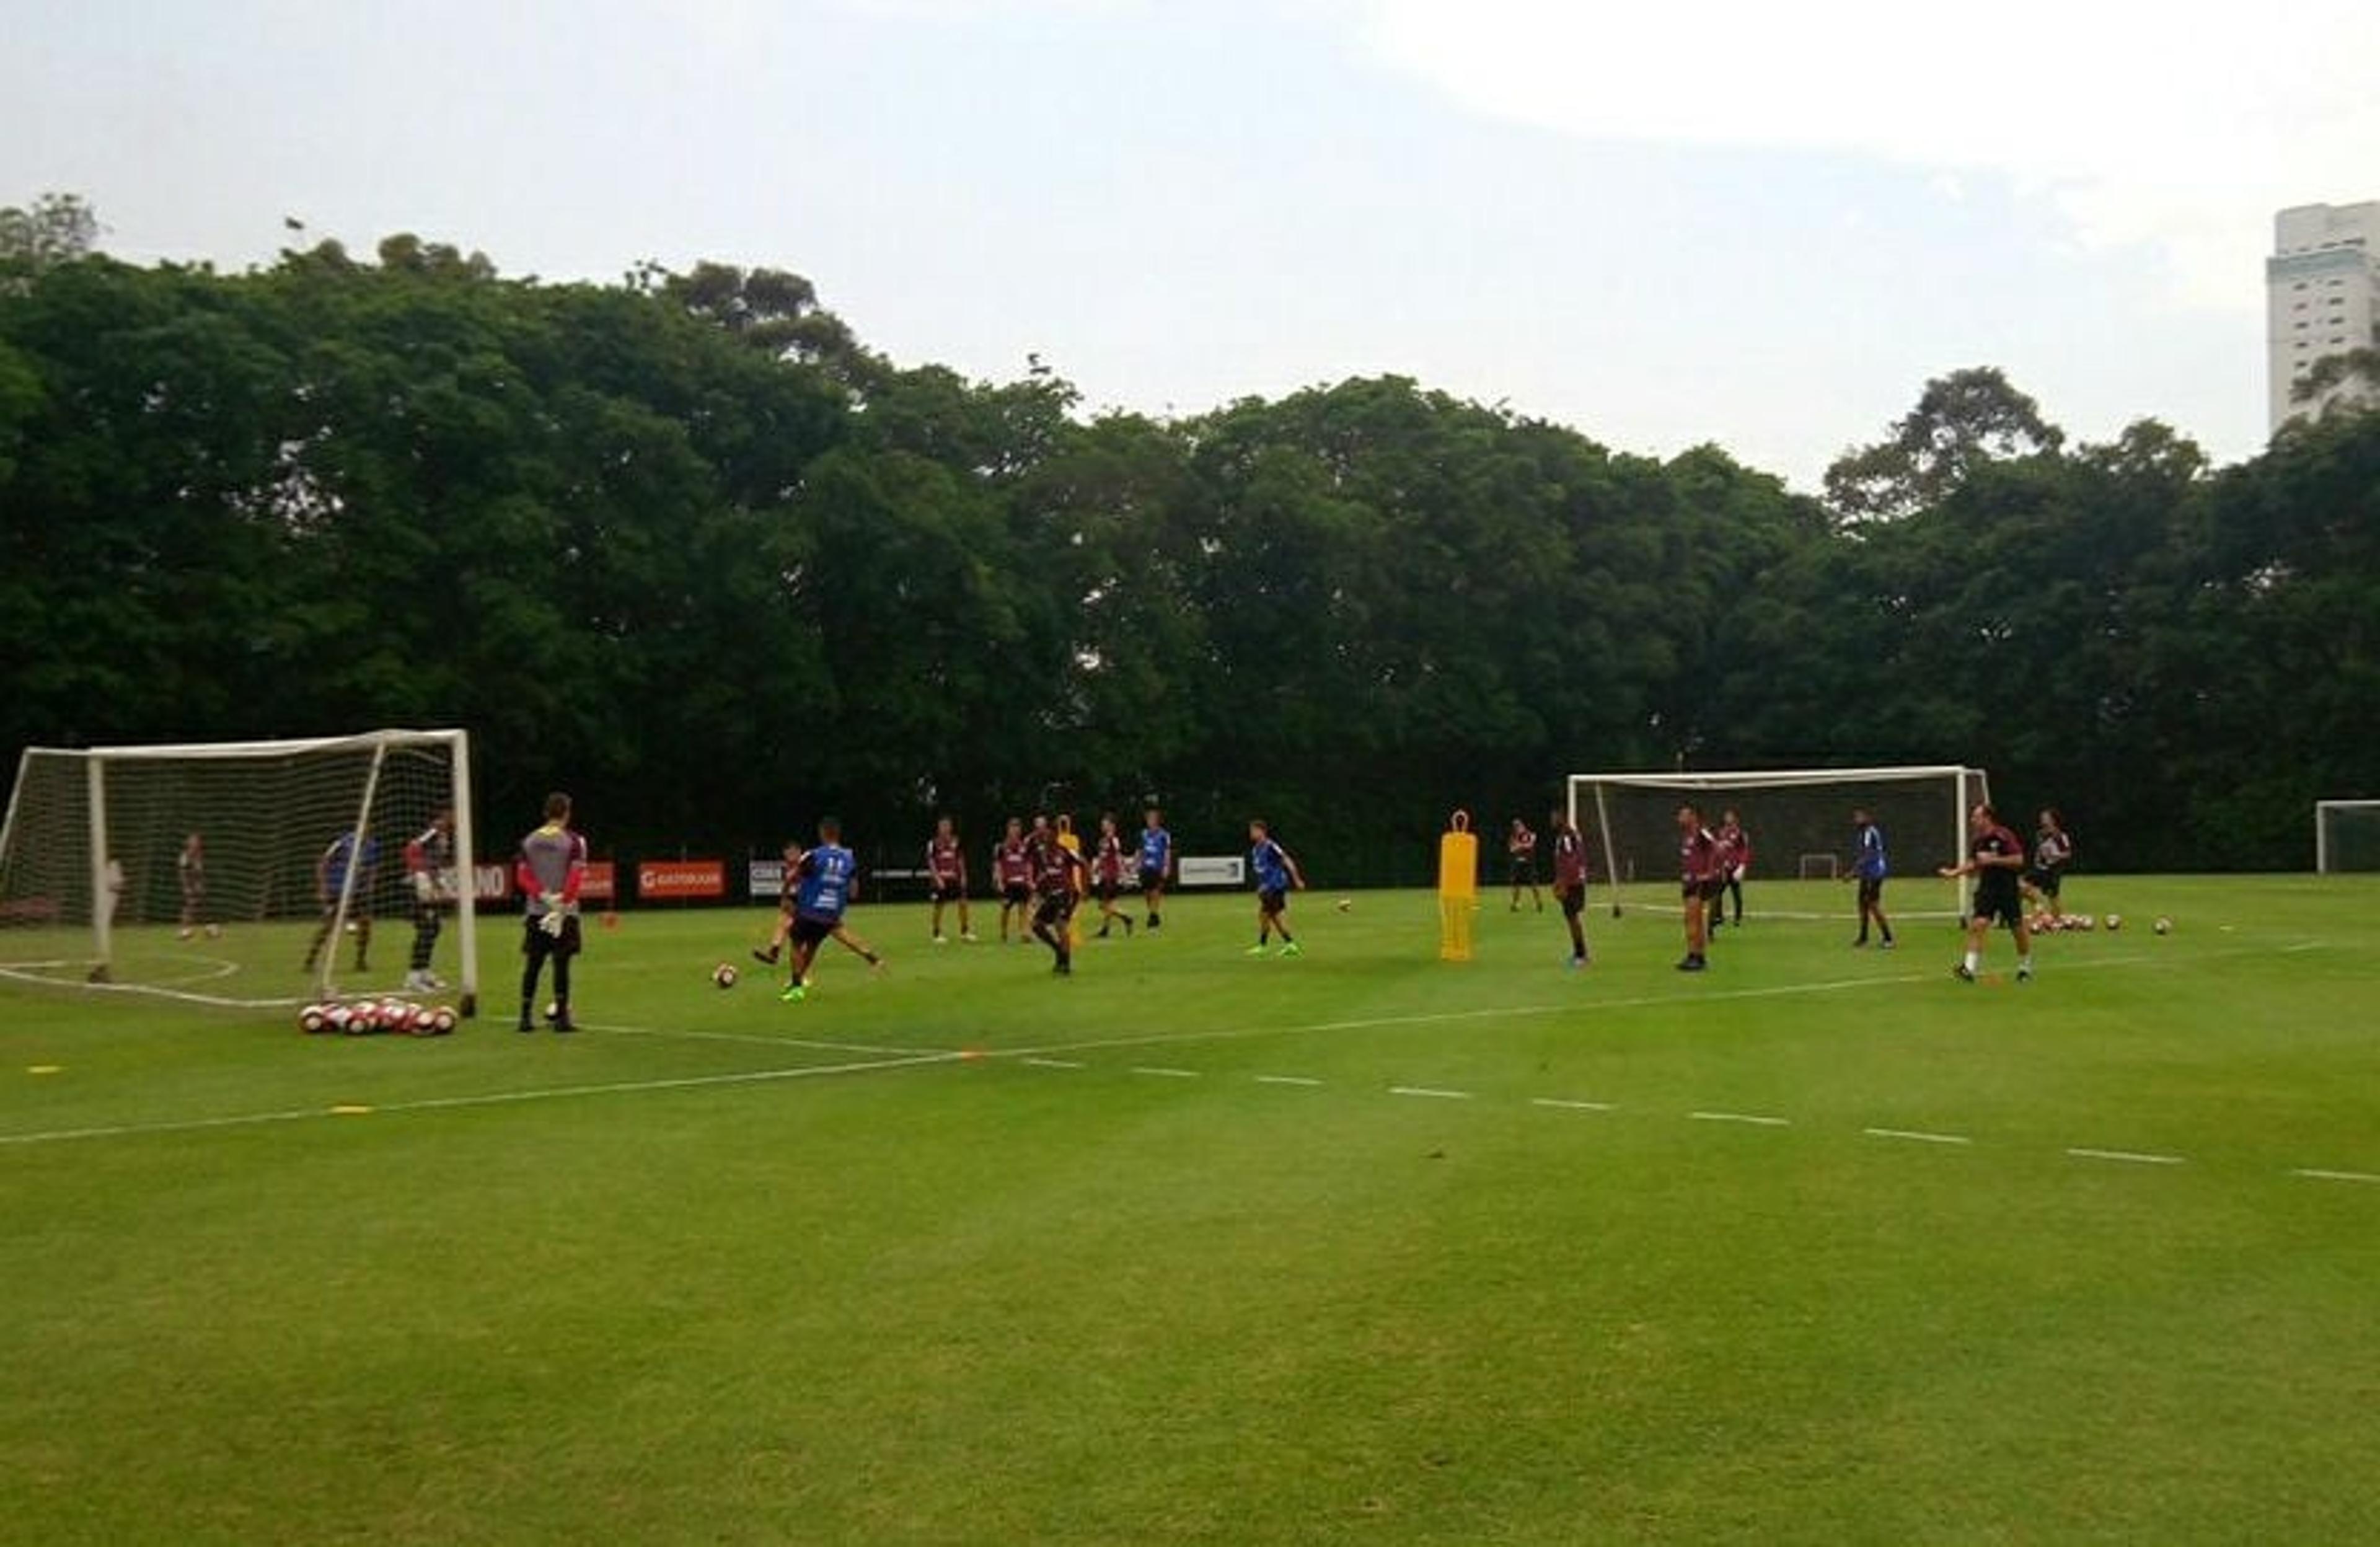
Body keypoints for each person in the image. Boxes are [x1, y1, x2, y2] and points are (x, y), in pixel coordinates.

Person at [775, 816, 883, 1003]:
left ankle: (797, 987)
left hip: (810, 909)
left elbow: (793, 877)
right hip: (831, 912)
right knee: (812, 947)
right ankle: (799, 981)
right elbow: (854, 891)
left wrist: (784, 895)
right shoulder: (849, 857)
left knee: (796, 944)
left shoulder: (814, 855)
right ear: (838, 834)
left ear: (822, 833)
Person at [515, 791, 587, 1030]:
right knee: (561, 963)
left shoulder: (529, 840)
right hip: (564, 913)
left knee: (533, 964)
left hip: (536, 911)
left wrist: (543, 895)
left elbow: (523, 876)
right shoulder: (574, 841)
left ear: (547, 813)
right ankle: (562, 1019)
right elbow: (576, 876)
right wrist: (562, 902)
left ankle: (525, 1018)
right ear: (567, 812)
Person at [1941, 800, 2033, 983]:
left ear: (1987, 818)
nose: (1973, 820)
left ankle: (2025, 967)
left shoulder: (2004, 836)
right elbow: (1975, 863)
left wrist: (1993, 861)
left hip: (2007, 888)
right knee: (1978, 925)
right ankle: (1969, 969)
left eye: (1976, 816)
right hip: (1988, 888)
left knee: (2017, 928)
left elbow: (2019, 860)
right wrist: (1955, 873)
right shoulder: (1978, 841)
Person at [301, 828, 379, 975]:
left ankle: (361, 961)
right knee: (329, 926)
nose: (365, 833)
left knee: (366, 924)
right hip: (338, 889)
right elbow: (323, 863)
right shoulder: (343, 843)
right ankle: (310, 960)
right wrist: (323, 888)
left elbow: (373, 866)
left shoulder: (372, 846)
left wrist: (370, 883)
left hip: (359, 891)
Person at [1027, 818, 1091, 974]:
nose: (1046, 837)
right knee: (1036, 925)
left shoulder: (1065, 850)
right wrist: (1037, 891)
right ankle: (1058, 950)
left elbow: (1084, 864)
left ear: (1055, 836)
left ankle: (1066, 964)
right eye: (1043, 835)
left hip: (1068, 893)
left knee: (1060, 924)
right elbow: (1042, 875)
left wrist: (1085, 888)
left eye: (1049, 834)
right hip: (1052, 895)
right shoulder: (1040, 853)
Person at [403, 806, 455, 992]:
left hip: (429, 886)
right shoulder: (433, 832)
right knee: (426, 929)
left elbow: (435, 861)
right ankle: (413, 977)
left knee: (434, 928)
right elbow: (411, 849)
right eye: (450, 815)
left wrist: (438, 880)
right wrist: (422, 873)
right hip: (418, 886)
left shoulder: (445, 837)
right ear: (443, 816)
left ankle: (424, 972)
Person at [1246, 819, 1306, 957]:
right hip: (1267, 888)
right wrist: (1261, 886)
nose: (1251, 833)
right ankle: (1265, 945)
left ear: (1262, 831)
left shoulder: (1270, 846)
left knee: (1274, 916)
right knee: (1265, 916)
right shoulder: (1256, 849)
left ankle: (1289, 945)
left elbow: (1286, 859)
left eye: (1253, 830)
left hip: (1275, 886)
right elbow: (1262, 870)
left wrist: (1297, 879)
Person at [1675, 803, 1719, 972]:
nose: (1679, 818)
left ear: (1693, 816)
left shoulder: (1702, 832)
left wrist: (1710, 872)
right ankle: (1692, 954)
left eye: (1683, 815)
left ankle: (1698, 958)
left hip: (1698, 883)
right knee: (1688, 919)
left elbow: (1717, 849)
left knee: (1695, 919)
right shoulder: (1687, 835)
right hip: (1688, 882)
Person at [1846, 806, 1896, 948]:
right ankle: (1863, 937)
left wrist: (1853, 872)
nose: (1857, 820)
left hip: (1875, 873)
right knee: (1862, 905)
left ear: (1868, 818)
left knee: (1873, 905)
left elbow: (1868, 855)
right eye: (1856, 817)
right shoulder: (1862, 833)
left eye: (1860, 817)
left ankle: (1888, 938)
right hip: (1866, 873)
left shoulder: (1870, 832)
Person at [1549, 808, 1591, 968]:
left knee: (1573, 918)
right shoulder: (1568, 834)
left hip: (1572, 883)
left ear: (1562, 817)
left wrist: (1563, 882)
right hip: (1574, 881)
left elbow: (1572, 859)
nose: (1552, 820)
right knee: (1572, 918)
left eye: (1554, 817)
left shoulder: (1567, 835)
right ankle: (1580, 952)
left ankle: (1581, 955)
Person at [925, 816, 977, 945]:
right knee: (939, 906)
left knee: (963, 903)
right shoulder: (933, 843)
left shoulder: (956, 841)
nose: (946, 829)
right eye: (943, 826)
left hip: (954, 879)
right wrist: (937, 879)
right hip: (941, 880)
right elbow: (931, 862)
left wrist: (964, 876)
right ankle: (936, 934)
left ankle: (965, 932)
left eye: (948, 826)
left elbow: (960, 859)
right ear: (939, 828)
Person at [2022, 808, 2074, 925]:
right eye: (2042, 817)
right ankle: (2039, 909)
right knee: (2021, 887)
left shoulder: (2060, 836)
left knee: (2052, 896)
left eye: (2045, 817)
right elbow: (2040, 850)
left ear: (2053, 820)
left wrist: (2055, 855)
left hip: (2053, 870)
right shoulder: (2040, 834)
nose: (2042, 819)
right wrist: (2038, 860)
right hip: (2039, 868)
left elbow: (2068, 853)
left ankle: (2057, 922)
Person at [1091, 812, 1135, 938]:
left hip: (1112, 876)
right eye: (1102, 825)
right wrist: (1095, 869)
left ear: (1112, 826)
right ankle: (1105, 930)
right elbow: (1101, 858)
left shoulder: (1114, 840)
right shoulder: (1102, 840)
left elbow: (1118, 857)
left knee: (1103, 905)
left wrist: (1124, 874)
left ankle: (1126, 918)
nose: (1103, 827)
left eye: (1105, 824)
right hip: (1105, 875)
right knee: (1108, 904)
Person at [993, 818, 1034, 945]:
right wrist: (999, 881)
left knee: (1023, 908)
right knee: (1006, 909)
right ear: (1008, 830)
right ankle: (1004, 933)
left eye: (1017, 828)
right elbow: (998, 865)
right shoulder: (1001, 847)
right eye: (1013, 828)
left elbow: (1028, 864)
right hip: (1008, 884)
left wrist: (1030, 880)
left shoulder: (1025, 847)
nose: (1015, 830)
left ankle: (1024, 933)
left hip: (1022, 883)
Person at [1711, 808, 1752, 929]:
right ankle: (1719, 918)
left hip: (1735, 869)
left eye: (1730, 816)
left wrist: (1742, 866)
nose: (1728, 818)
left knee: (1736, 894)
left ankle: (1738, 918)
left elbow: (1745, 850)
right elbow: (1717, 848)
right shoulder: (1721, 832)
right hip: (1724, 869)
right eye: (1726, 816)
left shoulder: (1741, 833)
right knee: (1717, 893)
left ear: (1735, 819)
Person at [1137, 806, 1173, 930]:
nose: (1150, 821)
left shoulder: (1164, 835)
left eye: (1152, 819)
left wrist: (1167, 866)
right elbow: (1140, 850)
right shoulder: (1144, 833)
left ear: (1157, 820)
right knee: (1147, 893)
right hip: (1145, 866)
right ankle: (1154, 914)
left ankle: (1153, 916)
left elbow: (1167, 851)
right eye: (1148, 819)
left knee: (1155, 891)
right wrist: (1137, 863)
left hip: (1157, 866)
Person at [175, 833, 215, 940]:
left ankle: (209, 928)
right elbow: (182, 873)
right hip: (189, 884)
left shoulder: (199, 855)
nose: (196, 844)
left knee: (203, 906)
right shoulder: (185, 855)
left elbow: (199, 872)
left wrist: (201, 884)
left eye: (197, 841)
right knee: (189, 906)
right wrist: (186, 887)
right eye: (193, 841)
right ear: (189, 843)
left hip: (198, 885)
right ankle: (184, 931)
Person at [1507, 818, 1543, 912]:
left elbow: (1530, 845)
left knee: (1534, 884)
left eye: (1519, 826)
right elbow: (1512, 849)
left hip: (1529, 864)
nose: (1518, 828)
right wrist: (1521, 846)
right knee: (1516, 885)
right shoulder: (1513, 837)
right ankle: (1516, 904)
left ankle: (1538, 902)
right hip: (1517, 864)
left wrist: (1520, 846)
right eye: (1516, 827)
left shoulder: (1529, 835)